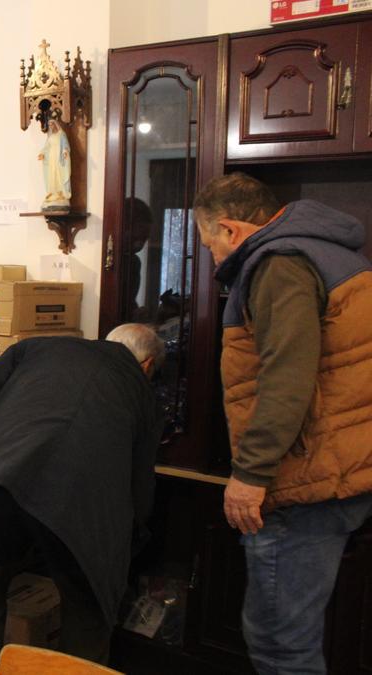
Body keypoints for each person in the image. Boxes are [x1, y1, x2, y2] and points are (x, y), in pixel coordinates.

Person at [192, 172, 372, 675]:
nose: (213, 259)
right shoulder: (332, 253)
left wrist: (250, 475)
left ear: (230, 230)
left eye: (209, 245)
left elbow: (286, 377)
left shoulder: (279, 264)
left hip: (303, 480)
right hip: (343, 468)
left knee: (280, 643)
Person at [0, 326, 164, 669]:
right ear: (147, 366)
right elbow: (140, 483)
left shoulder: (39, 347)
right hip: (81, 508)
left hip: (0, 483)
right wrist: (132, 537)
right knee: (86, 613)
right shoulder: (140, 391)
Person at [37, 118, 71, 211]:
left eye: (52, 124)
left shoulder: (61, 134)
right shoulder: (50, 137)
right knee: (52, 176)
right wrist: (42, 153)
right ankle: (53, 193)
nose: (51, 127)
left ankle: (61, 193)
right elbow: (46, 147)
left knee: (59, 175)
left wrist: (65, 151)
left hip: (59, 158)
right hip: (52, 158)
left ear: (56, 124)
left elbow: (65, 145)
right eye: (50, 125)